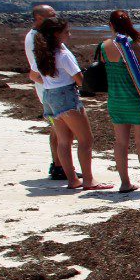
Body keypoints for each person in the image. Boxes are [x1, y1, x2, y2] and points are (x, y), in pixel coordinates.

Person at [27, 16, 113, 191]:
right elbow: (80, 80)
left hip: (50, 96)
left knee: (63, 141)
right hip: (66, 96)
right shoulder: (63, 54)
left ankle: (73, 179)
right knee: (85, 139)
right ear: (57, 34)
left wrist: (50, 82)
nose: (69, 34)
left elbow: (33, 76)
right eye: (66, 32)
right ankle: (88, 180)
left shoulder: (42, 52)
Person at [99, 10, 140, 194]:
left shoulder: (103, 46)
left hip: (116, 100)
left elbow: (106, 67)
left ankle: (125, 183)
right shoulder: (130, 45)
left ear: (110, 25)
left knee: (120, 143)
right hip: (136, 99)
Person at [25, 4, 65, 180]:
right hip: (50, 91)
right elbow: (35, 73)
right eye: (51, 14)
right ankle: (59, 166)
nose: (55, 16)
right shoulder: (35, 38)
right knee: (60, 129)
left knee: (57, 129)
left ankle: (58, 164)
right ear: (39, 17)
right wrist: (54, 84)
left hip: (50, 90)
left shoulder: (41, 36)